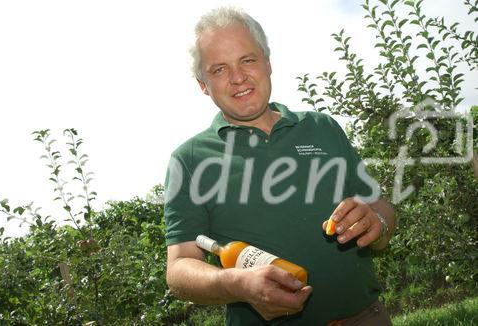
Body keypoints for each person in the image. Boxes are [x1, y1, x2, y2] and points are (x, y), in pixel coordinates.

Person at [164, 7, 396, 326]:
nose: (238, 77)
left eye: (247, 60)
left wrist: (378, 222)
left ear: (267, 62)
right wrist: (234, 285)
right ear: (203, 84)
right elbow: (178, 268)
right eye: (219, 69)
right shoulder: (189, 160)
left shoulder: (323, 128)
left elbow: (380, 207)